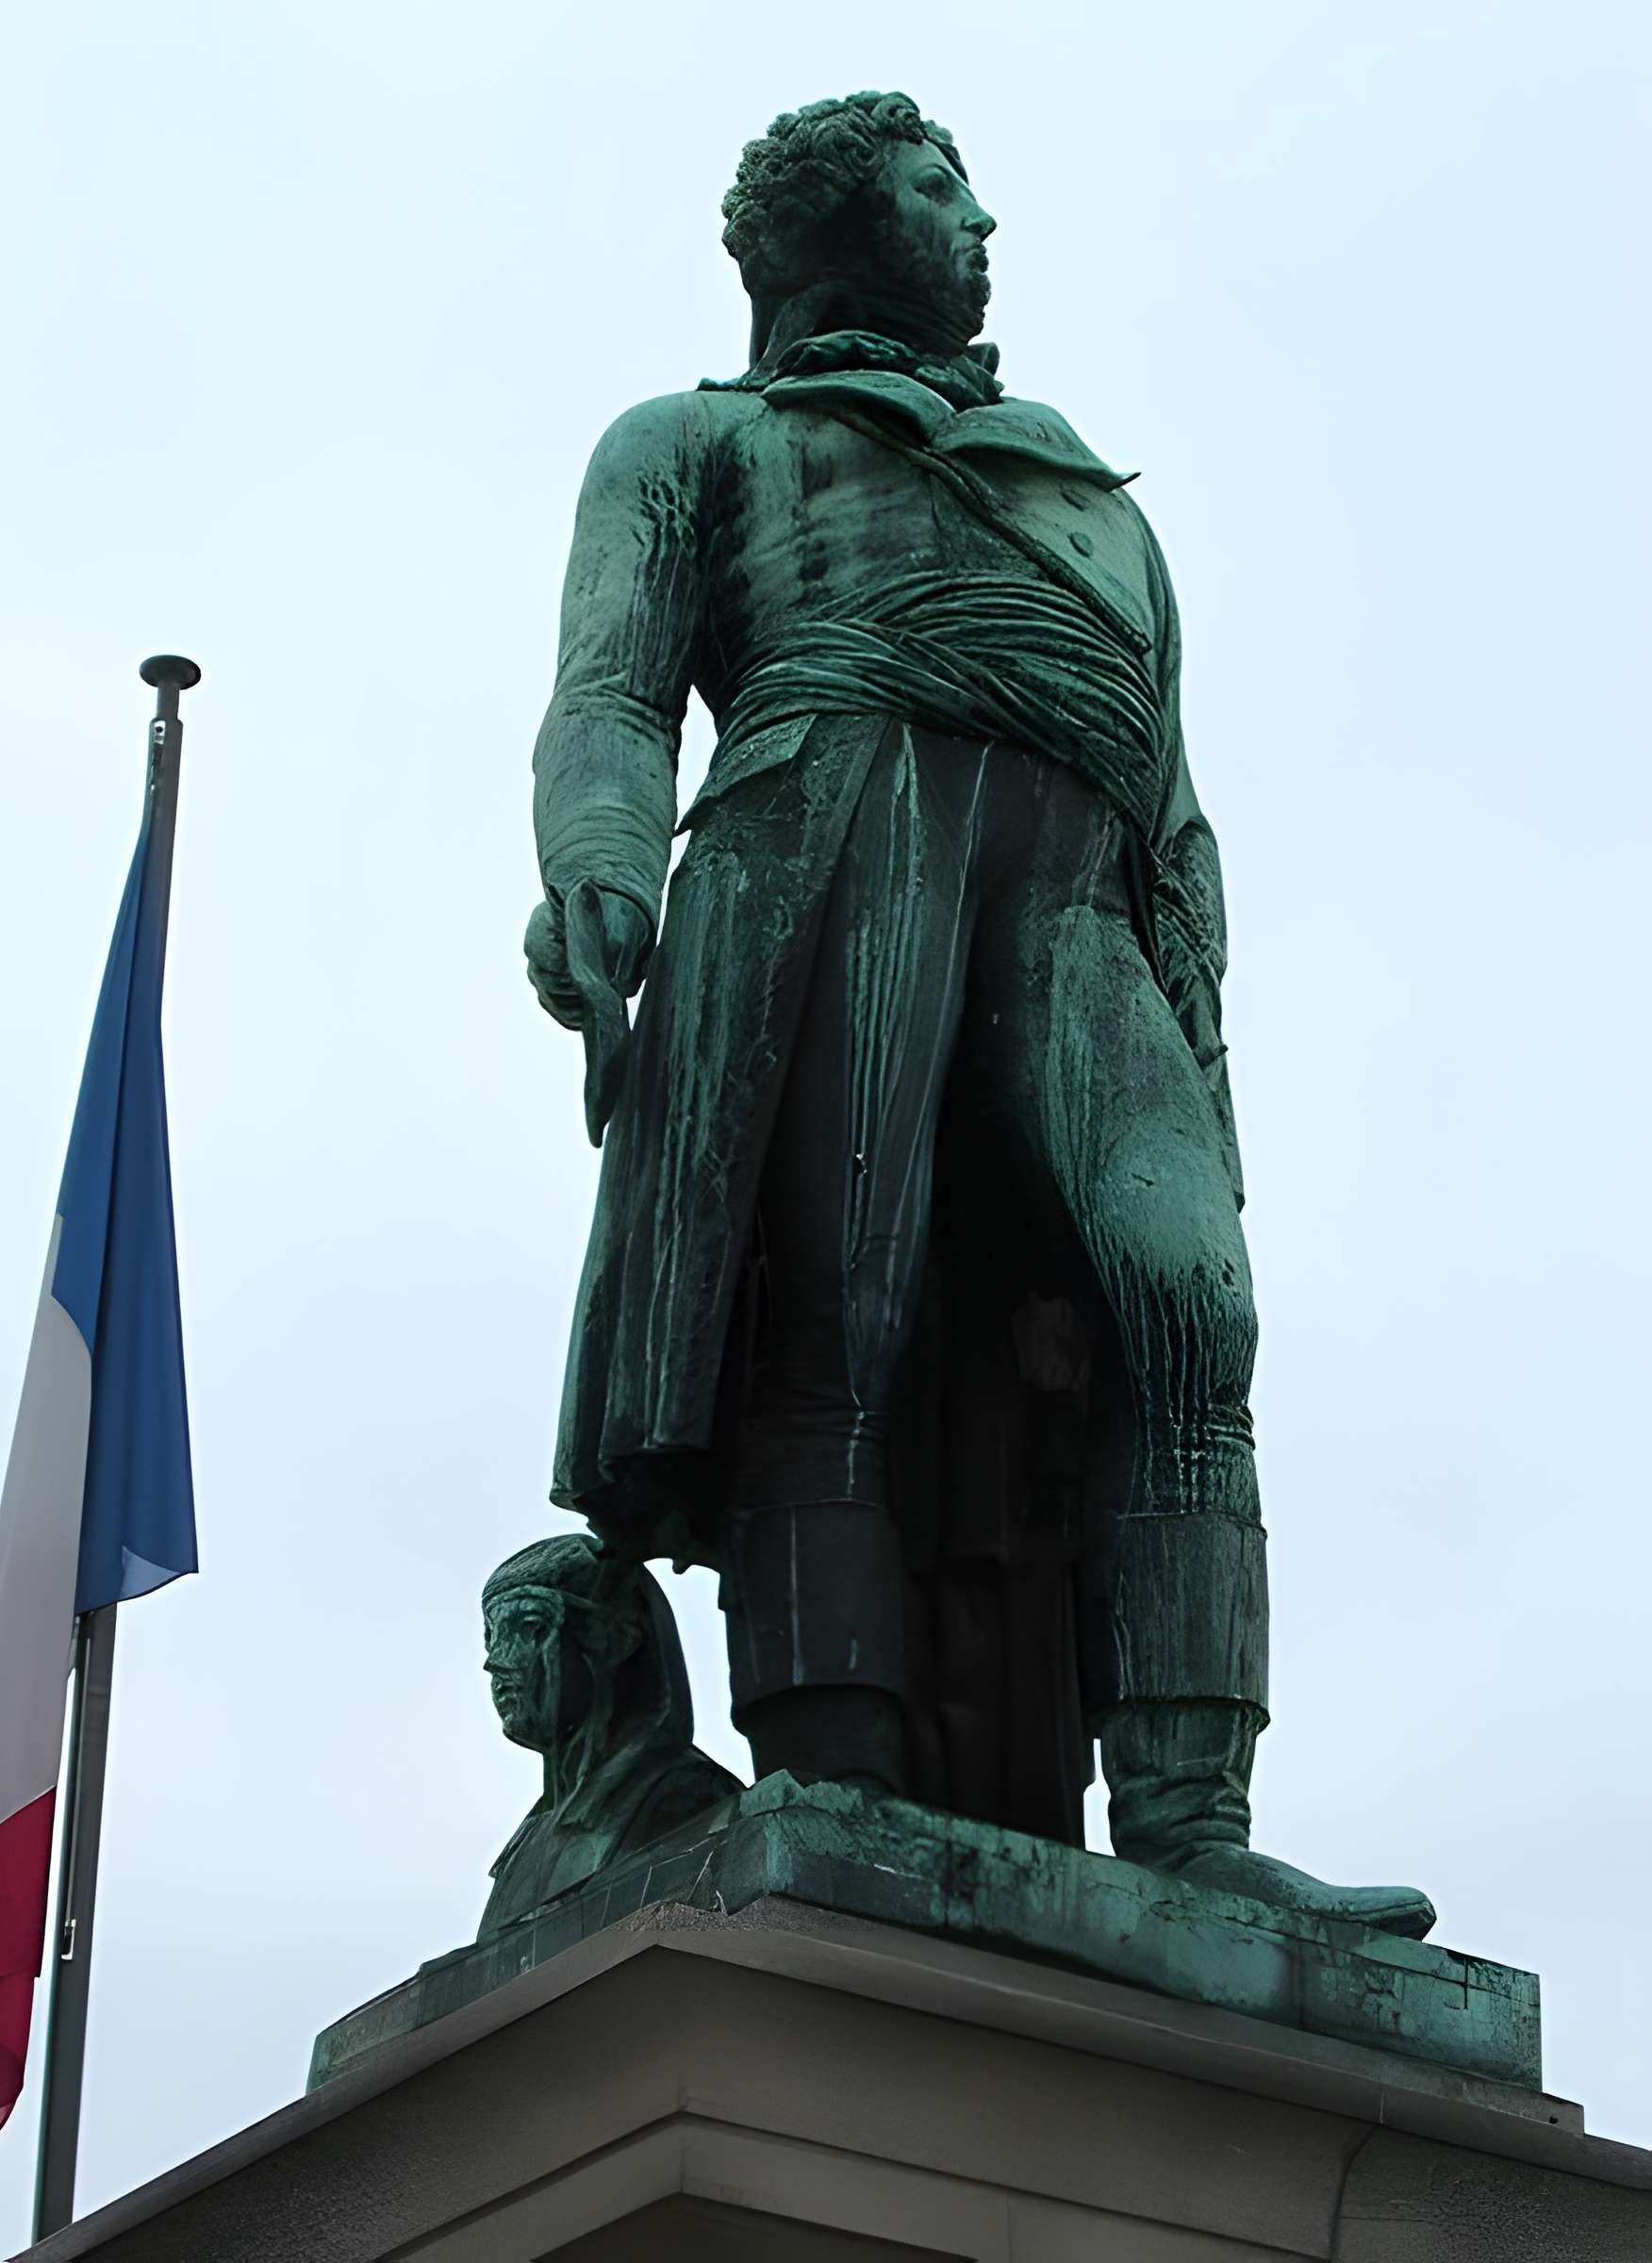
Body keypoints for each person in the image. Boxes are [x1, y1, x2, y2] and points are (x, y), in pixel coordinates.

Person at [523, 92, 1431, 1934]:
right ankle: (833, 1778)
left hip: (1073, 899)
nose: (983, 216)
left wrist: (1201, 1017)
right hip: (824, 834)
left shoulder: (1085, 502)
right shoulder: (694, 441)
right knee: (831, 1323)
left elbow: (1172, 804)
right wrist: (599, 864)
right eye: (941, 185)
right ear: (837, 225)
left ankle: (1187, 1820)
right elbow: (607, 692)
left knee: (1184, 1294)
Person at [478, 1534, 739, 1939]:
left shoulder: (688, 1797)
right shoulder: (526, 1843)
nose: (495, 1661)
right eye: (492, 1636)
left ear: (617, 1637)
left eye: (528, 1627)